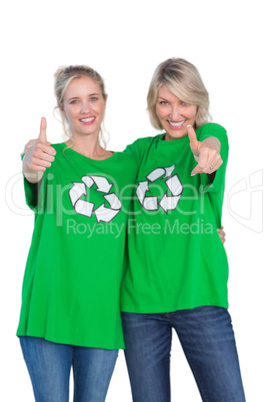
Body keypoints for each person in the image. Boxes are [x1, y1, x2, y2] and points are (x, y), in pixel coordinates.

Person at [121, 58, 246, 401]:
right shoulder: (140, 152)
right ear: (154, 104)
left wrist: (207, 155)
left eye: (184, 102)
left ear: (198, 103)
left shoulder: (209, 135)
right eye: (165, 102)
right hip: (140, 305)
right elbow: (97, 166)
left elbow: (213, 149)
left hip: (199, 296)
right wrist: (30, 155)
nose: (175, 113)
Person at [17, 65, 138, 402]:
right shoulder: (48, 157)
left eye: (93, 98)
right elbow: (31, 170)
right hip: (48, 312)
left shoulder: (129, 165)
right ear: (62, 109)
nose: (86, 109)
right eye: (74, 101)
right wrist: (29, 162)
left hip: (101, 315)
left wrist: (206, 228)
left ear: (105, 101)